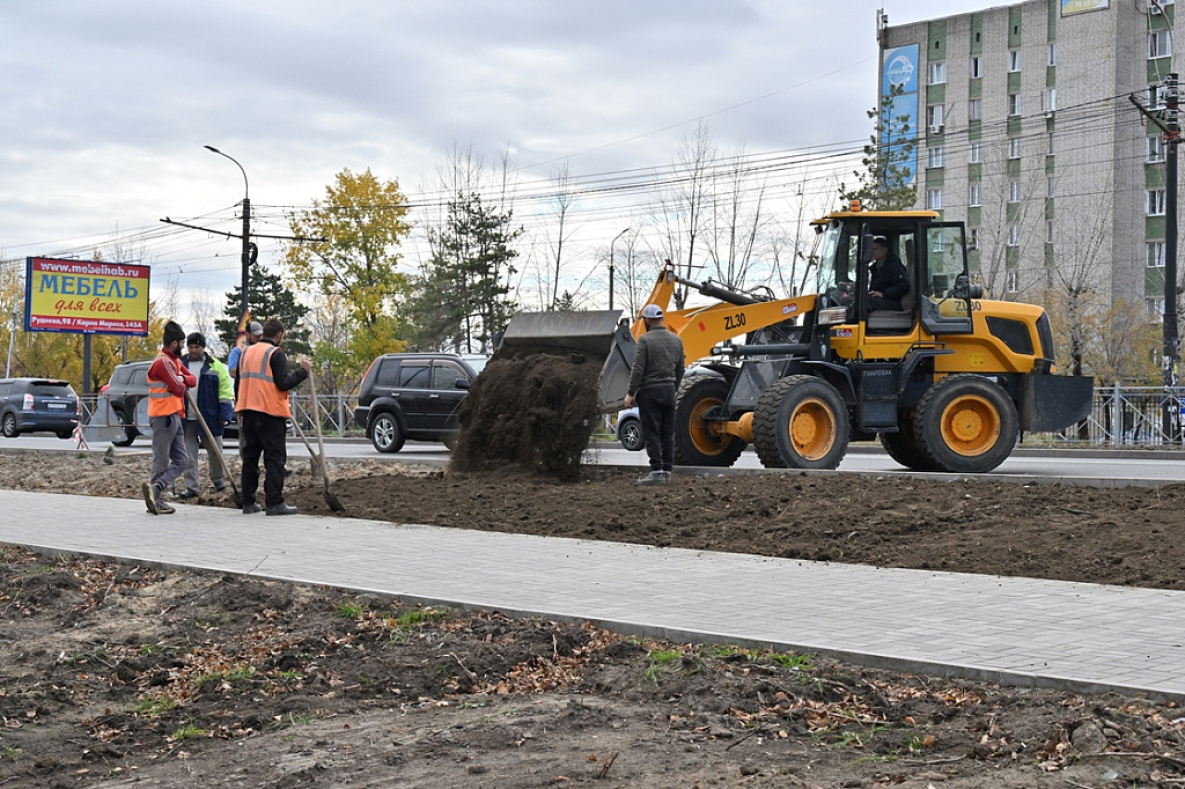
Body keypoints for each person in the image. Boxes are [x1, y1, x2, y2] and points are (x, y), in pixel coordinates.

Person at [236, 318, 311, 515]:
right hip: (269, 413)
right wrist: (303, 371)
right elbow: (284, 383)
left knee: (250, 459)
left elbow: (239, 383)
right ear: (278, 336)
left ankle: (248, 502)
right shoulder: (275, 354)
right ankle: (274, 502)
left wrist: (240, 409)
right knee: (274, 458)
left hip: (248, 411)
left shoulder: (245, 353)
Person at [623, 304, 685, 485]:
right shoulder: (677, 340)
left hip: (650, 392)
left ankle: (656, 471)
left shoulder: (645, 341)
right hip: (669, 392)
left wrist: (630, 393)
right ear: (661, 318)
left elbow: (638, 369)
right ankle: (667, 471)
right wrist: (674, 388)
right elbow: (681, 368)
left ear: (648, 320)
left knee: (652, 433)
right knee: (667, 433)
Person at [141, 320, 197, 515]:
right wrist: (182, 380)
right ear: (174, 343)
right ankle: (155, 499)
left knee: (182, 460)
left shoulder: (175, 362)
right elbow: (179, 387)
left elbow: (192, 380)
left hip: (174, 416)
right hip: (162, 417)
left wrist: (182, 378)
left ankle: (156, 488)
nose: (184, 346)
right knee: (161, 460)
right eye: (182, 343)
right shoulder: (162, 363)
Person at [178, 332, 234, 499]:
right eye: (191, 346)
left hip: (210, 417)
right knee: (188, 455)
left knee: (216, 451)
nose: (194, 350)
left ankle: (218, 481)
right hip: (186, 418)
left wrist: (225, 413)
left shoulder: (215, 366)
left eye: (197, 347)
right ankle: (191, 487)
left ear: (203, 347)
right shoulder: (180, 365)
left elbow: (224, 391)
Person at [868, 236, 909, 311]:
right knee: (860, 298)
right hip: (881, 298)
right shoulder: (875, 268)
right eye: (872, 249)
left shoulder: (894, 266)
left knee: (866, 301)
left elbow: (904, 286)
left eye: (875, 249)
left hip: (893, 301)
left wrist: (883, 294)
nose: (872, 252)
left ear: (885, 250)